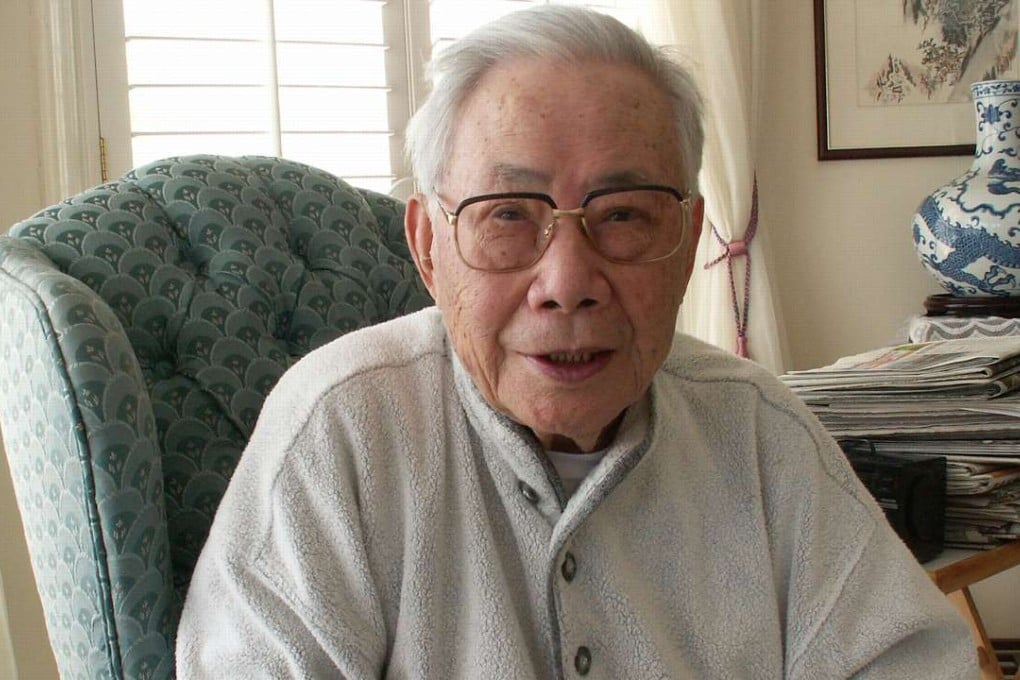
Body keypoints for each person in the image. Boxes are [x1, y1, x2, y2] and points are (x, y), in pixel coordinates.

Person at [176, 5, 977, 678]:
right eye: (507, 214)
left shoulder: (759, 428)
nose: (568, 279)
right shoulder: (340, 431)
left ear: (690, 236)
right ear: (426, 246)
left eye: (624, 213)